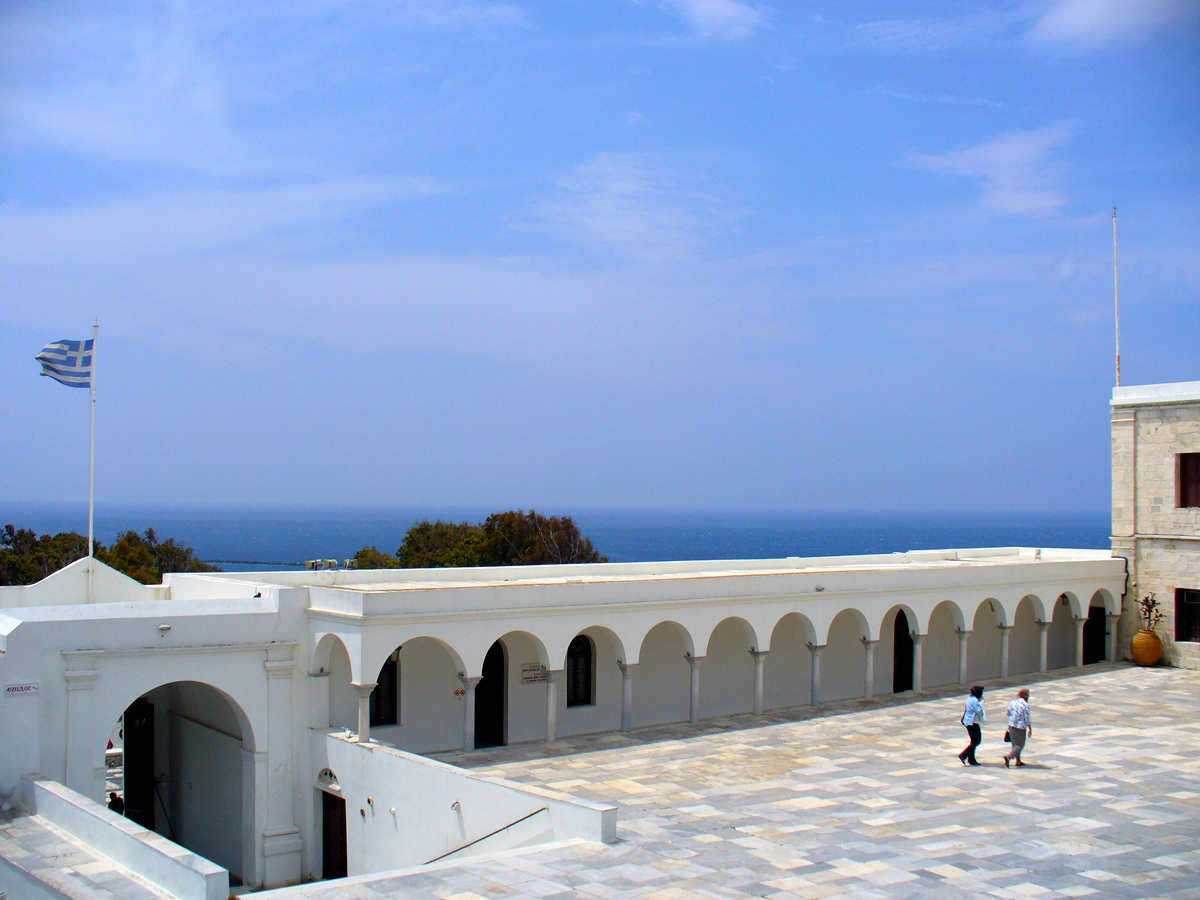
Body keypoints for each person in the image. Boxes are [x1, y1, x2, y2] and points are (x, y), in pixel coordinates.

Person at [1004, 688, 1032, 767]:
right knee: (1020, 745)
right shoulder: (1025, 705)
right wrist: (1030, 728)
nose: (1028, 697)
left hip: (1011, 725)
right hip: (1020, 727)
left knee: (1015, 744)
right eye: (1028, 695)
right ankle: (1009, 757)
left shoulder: (1013, 702)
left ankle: (1018, 761)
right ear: (1025, 695)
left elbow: (1008, 712)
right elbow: (1027, 718)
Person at [958, 685, 986, 766]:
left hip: (968, 721)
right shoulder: (975, 701)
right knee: (977, 741)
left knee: (973, 741)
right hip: (972, 722)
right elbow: (979, 711)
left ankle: (971, 759)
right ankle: (963, 755)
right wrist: (982, 703)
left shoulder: (969, 698)